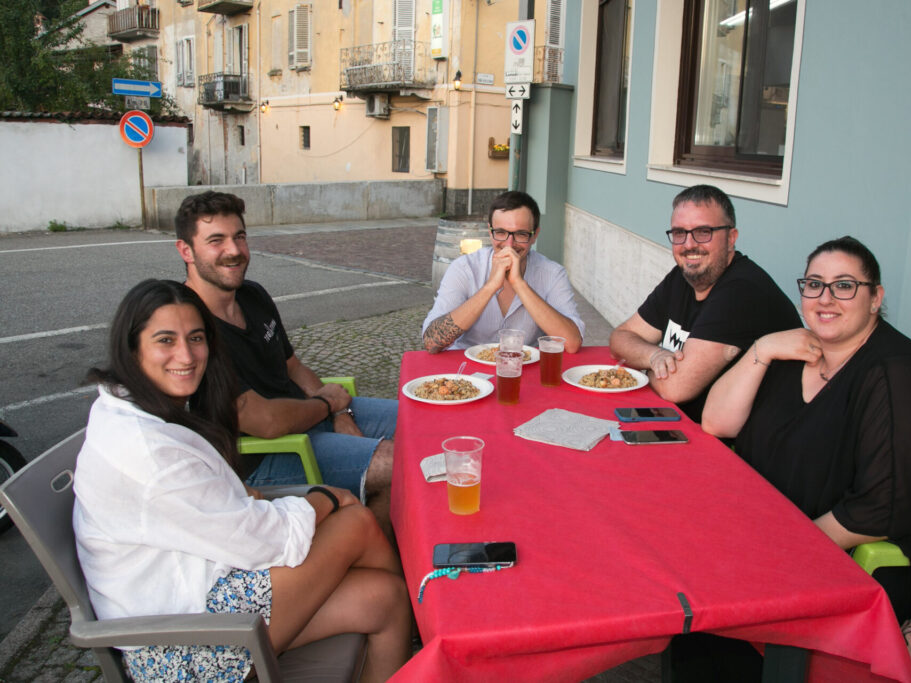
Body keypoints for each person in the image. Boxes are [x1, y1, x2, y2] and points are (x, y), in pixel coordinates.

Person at [73, 279, 411, 682]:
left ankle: (424, 630)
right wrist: (324, 500)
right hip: (179, 646)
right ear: (132, 348)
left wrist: (268, 501)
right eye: (166, 340)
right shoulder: (147, 450)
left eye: (195, 338)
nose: (186, 354)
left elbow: (221, 510)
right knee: (354, 521)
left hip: (204, 589)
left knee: (388, 598)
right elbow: (260, 542)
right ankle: (435, 618)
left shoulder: (146, 409)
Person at [703, 236, 911, 647]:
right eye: (814, 284)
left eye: (845, 285)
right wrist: (762, 349)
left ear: (875, 298)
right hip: (782, 528)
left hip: (876, 569)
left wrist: (776, 553)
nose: (825, 298)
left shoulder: (899, 375)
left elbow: (880, 509)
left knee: (710, 597)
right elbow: (716, 422)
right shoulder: (796, 351)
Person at [173, 191, 396, 533]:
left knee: (421, 419)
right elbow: (266, 423)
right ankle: (375, 559)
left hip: (310, 417)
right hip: (264, 455)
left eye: (240, 237)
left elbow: (292, 366)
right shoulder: (188, 324)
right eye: (216, 240)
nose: (233, 250)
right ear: (185, 250)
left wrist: (340, 412)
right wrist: (327, 404)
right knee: (401, 465)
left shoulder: (253, 295)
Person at [609, 184, 800, 421]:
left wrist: (641, 368)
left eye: (703, 232)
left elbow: (675, 388)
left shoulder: (743, 291)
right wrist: (654, 356)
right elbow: (620, 337)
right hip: (683, 423)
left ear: (731, 238)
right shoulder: (681, 278)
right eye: (679, 233)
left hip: (740, 447)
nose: (689, 244)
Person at [422, 190, 585, 353]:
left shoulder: (553, 274)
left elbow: (571, 343)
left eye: (521, 234)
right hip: (466, 370)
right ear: (490, 232)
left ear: (535, 235)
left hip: (523, 369)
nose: (509, 244)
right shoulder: (464, 268)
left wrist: (519, 284)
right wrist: (490, 286)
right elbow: (431, 342)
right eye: (500, 232)